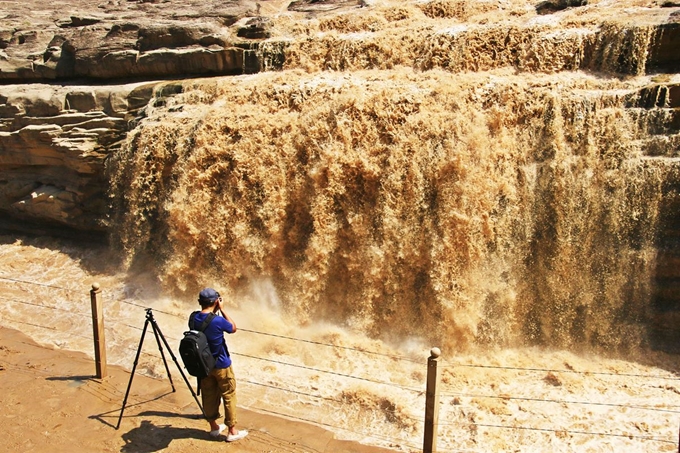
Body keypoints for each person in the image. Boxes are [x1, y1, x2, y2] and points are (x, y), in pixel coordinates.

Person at [190, 287, 248, 442]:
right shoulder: (218, 320)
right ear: (216, 301)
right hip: (221, 364)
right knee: (228, 395)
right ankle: (232, 431)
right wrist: (222, 310)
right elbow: (233, 328)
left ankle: (214, 427)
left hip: (204, 366)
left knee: (208, 395)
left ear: (199, 302)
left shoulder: (193, 318)